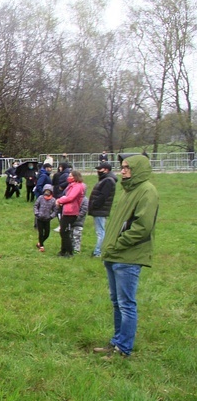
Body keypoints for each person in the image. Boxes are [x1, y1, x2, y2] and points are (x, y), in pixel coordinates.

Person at [94, 154, 158, 359]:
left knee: (126, 303)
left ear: (138, 169)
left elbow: (141, 227)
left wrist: (117, 244)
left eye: (127, 167)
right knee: (116, 302)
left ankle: (123, 349)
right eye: (122, 167)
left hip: (128, 257)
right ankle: (116, 342)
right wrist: (110, 248)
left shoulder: (147, 191)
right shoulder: (128, 190)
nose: (122, 171)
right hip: (114, 255)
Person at [88, 162, 118, 257]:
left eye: (100, 169)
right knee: (100, 231)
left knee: (100, 232)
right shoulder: (105, 179)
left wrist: (95, 205)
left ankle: (98, 252)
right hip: (100, 209)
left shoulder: (108, 181)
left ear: (106, 170)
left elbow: (103, 196)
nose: (98, 171)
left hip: (100, 210)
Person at [55, 170, 86, 257]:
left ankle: (68, 251)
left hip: (71, 211)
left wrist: (60, 200)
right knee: (64, 231)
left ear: (75, 177)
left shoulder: (77, 186)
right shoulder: (71, 186)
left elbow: (71, 197)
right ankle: (63, 251)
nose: (68, 177)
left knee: (64, 232)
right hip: (67, 210)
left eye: (70, 176)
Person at [33, 184, 57, 252]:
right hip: (39, 218)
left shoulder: (53, 200)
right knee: (40, 233)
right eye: (46, 191)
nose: (47, 193)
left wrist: (51, 216)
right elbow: (35, 206)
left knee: (47, 233)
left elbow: (55, 210)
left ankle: (40, 243)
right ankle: (41, 246)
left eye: (49, 191)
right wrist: (36, 213)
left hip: (47, 219)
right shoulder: (40, 198)